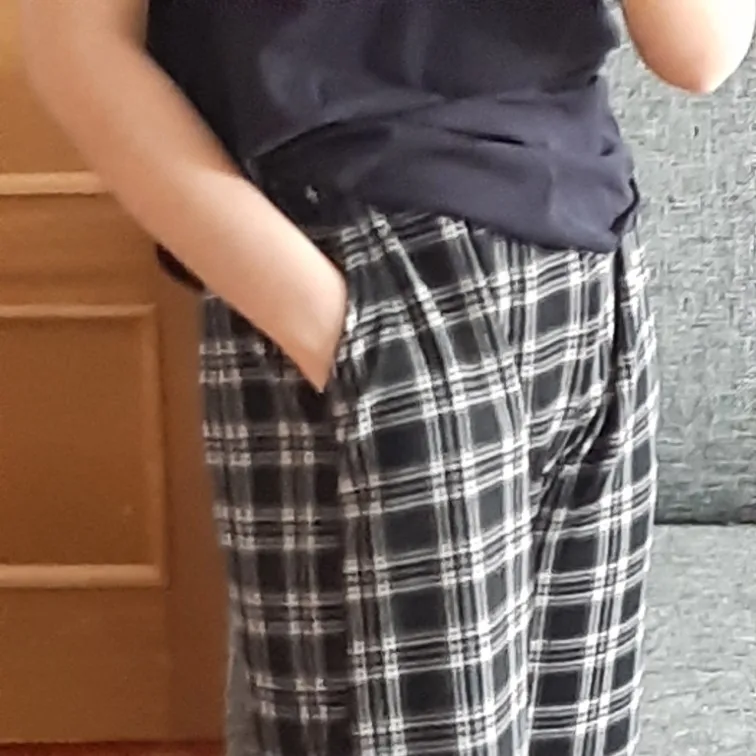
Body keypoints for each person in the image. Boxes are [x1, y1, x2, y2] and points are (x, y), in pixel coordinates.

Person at [21, 2, 755, 754]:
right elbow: (73, 47)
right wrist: (336, 330)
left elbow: (700, 52)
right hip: (365, 262)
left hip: (587, 268)